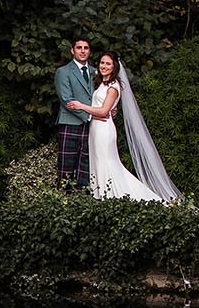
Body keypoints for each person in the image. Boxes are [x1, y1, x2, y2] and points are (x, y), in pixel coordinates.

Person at [72, 51, 163, 202]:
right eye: (102, 63)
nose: (104, 66)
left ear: (114, 67)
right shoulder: (101, 82)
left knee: (107, 163)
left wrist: (81, 106)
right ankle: (100, 196)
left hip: (104, 130)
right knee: (97, 163)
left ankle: (116, 197)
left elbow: (103, 111)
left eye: (108, 64)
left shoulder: (113, 86)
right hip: (95, 129)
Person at [54, 39, 97, 192]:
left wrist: (109, 110)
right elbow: (67, 100)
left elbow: (101, 97)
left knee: (86, 164)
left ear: (89, 51)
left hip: (92, 126)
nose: (83, 51)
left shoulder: (95, 72)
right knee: (66, 165)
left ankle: (82, 201)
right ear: (72, 50)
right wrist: (91, 116)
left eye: (86, 48)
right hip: (70, 123)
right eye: (79, 48)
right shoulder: (63, 71)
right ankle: (63, 201)